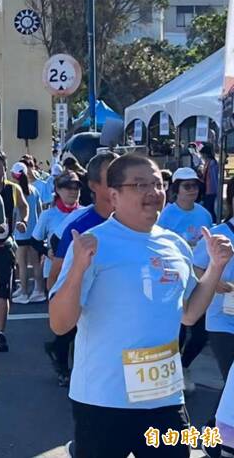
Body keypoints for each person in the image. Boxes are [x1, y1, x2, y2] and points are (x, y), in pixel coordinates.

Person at [50, 153, 233, 458]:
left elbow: (189, 314)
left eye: (157, 184)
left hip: (164, 398)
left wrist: (215, 268)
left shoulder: (174, 244)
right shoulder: (93, 242)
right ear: (114, 194)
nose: (153, 193)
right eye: (139, 185)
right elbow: (59, 324)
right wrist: (78, 270)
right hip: (104, 399)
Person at [46, 152, 117, 397]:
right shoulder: (79, 224)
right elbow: (55, 274)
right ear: (94, 186)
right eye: (112, 178)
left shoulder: (142, 224)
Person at [158, 167, 214, 393]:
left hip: (199, 279)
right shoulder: (166, 215)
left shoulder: (204, 214)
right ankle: (171, 376)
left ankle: (183, 365)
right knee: (178, 331)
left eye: (196, 186)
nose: (192, 191)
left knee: (201, 334)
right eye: (187, 186)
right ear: (176, 189)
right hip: (173, 281)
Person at [193, 176, 234, 458]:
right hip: (223, 321)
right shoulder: (219, 233)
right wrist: (214, 280)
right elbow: (194, 267)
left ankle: (215, 434)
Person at [33, 170, 83, 386]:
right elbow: (35, 240)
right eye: (67, 188)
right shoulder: (49, 215)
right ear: (58, 191)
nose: (72, 192)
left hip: (80, 275)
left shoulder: (85, 214)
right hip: (54, 274)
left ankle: (69, 363)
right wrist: (48, 252)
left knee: (81, 326)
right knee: (65, 325)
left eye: (76, 188)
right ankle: (63, 366)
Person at [0, 151, 28, 352]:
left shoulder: (13, 189)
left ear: (4, 168)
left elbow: (23, 207)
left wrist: (22, 221)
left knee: (2, 291)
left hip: (3, 247)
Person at [10, 161, 44, 304]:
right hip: (34, 232)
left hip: (20, 233)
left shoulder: (14, 191)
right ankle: (39, 290)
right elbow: (39, 210)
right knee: (35, 263)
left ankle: (24, 292)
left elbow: (12, 213)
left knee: (22, 264)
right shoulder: (34, 190)